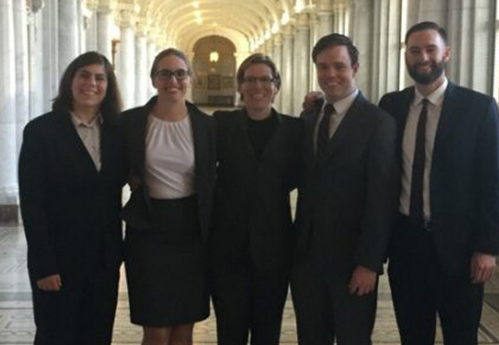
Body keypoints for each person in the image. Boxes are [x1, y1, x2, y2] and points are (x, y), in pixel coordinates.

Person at [378, 21, 499, 345]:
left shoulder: (478, 108)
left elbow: (492, 182)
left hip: (460, 250)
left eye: (430, 49)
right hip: (406, 246)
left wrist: (487, 248)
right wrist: (321, 101)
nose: (423, 57)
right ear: (405, 55)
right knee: (413, 335)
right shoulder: (391, 106)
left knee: (461, 337)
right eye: (415, 50)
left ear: (446, 53)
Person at [291, 33, 399, 344]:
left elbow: (382, 197)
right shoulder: (311, 116)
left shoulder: (378, 122)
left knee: (353, 337)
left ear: (355, 68)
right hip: (307, 259)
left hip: (352, 260)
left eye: (339, 66)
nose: (330, 74)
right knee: (310, 337)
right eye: (323, 67)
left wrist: (369, 263)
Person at [18, 51, 126, 345]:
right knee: (57, 335)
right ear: (70, 81)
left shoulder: (117, 133)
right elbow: (32, 203)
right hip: (58, 259)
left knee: (97, 334)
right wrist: (44, 264)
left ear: (108, 85)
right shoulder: (41, 131)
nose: (91, 83)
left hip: (103, 260)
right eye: (84, 75)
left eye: (100, 78)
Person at [120, 48, 216, 345]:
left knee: (184, 327)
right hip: (147, 230)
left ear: (191, 78)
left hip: (191, 231)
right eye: (164, 73)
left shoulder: (207, 126)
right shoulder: (131, 122)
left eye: (180, 73)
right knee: (156, 327)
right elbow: (110, 161)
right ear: (153, 79)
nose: (172, 80)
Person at [210, 53, 303, 344]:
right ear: (240, 85)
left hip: (275, 248)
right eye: (250, 79)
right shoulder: (220, 124)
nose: (257, 86)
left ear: (276, 86)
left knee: (267, 331)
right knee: (230, 331)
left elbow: (299, 175)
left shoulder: (294, 129)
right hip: (227, 248)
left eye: (265, 79)